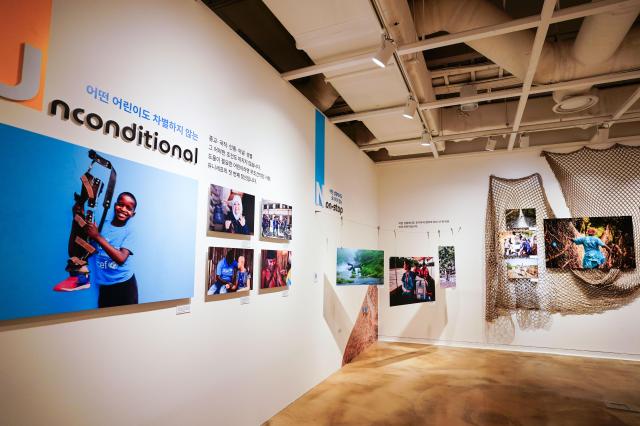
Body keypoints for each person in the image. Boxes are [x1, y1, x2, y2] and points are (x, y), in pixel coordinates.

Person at [85, 192, 139, 308]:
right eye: (120, 204)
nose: (123, 209)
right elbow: (92, 247)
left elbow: (121, 258)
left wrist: (97, 236)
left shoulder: (130, 231)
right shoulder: (102, 226)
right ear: (114, 205)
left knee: (128, 322)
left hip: (125, 286)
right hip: (105, 285)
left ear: (133, 214)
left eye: (129, 208)